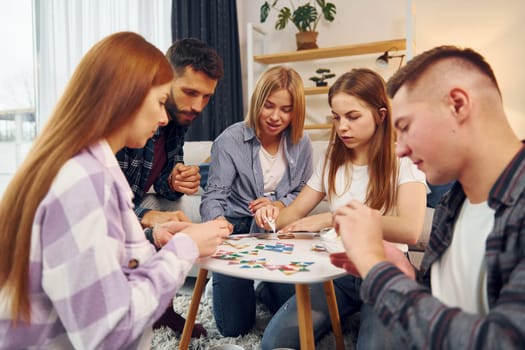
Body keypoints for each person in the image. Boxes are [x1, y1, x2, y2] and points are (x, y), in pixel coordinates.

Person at [0, 32, 232, 349]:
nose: (164, 117)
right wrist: (184, 249)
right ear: (126, 97)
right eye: (161, 102)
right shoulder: (82, 181)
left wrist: (155, 237)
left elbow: (100, 253)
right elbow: (109, 334)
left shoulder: (89, 167)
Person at [331, 45, 525, 349]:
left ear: (458, 105)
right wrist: (409, 275)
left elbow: (501, 342)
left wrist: (374, 267)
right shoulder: (454, 203)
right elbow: (448, 305)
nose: (399, 149)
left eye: (406, 128)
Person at [256, 68, 427, 349]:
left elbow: (410, 229)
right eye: (336, 117)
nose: (342, 126)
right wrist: (271, 211)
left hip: (387, 269)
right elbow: (294, 213)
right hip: (338, 271)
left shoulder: (403, 159)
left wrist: (335, 217)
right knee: (274, 343)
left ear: (380, 115)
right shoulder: (330, 159)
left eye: (352, 116)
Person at [199, 66, 313, 336]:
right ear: (256, 102)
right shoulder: (230, 140)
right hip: (236, 233)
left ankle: (262, 287)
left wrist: (277, 205)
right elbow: (214, 196)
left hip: (277, 233)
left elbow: (304, 191)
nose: (276, 117)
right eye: (269, 106)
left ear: (296, 111)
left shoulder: (302, 142)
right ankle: (227, 283)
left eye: (286, 109)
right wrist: (218, 227)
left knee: (293, 312)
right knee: (234, 326)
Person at [116, 37, 224, 234]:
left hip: (133, 207)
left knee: (187, 210)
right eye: (190, 92)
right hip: (107, 216)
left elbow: (163, 188)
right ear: (166, 78)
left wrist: (174, 181)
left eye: (206, 96)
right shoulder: (127, 117)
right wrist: (146, 216)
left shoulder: (178, 118)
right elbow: (96, 201)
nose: (198, 107)